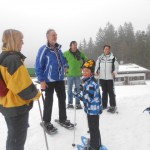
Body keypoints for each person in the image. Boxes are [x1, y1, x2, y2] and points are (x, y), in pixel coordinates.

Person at [0, 29, 41, 150]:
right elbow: (24, 88)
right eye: (21, 40)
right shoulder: (13, 60)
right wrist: (36, 94)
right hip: (15, 106)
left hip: (6, 104)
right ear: (13, 40)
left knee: (13, 136)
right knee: (17, 140)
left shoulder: (3, 57)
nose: (23, 43)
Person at [35, 29, 73, 133]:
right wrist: (41, 80)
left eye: (56, 35)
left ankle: (63, 119)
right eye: (53, 35)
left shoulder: (58, 49)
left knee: (62, 99)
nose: (55, 36)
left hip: (60, 79)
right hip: (48, 80)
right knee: (49, 101)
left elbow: (63, 60)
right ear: (47, 37)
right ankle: (46, 121)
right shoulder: (43, 49)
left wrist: (66, 66)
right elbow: (38, 65)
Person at [78, 59, 102, 150]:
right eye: (83, 70)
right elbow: (88, 93)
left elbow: (88, 99)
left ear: (91, 72)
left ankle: (94, 146)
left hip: (93, 110)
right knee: (94, 127)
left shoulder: (91, 84)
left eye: (87, 71)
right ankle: (95, 142)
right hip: (93, 110)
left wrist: (79, 96)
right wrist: (83, 89)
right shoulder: (89, 82)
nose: (84, 72)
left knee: (93, 128)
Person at [63, 41, 88, 109]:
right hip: (69, 74)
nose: (75, 46)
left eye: (76, 45)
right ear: (70, 46)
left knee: (78, 89)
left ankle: (78, 103)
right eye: (74, 45)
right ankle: (70, 103)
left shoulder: (80, 53)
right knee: (69, 89)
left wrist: (83, 67)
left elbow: (86, 60)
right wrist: (65, 67)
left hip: (77, 74)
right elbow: (61, 60)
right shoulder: (66, 53)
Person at [95, 44, 119, 113]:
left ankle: (113, 106)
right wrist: (96, 72)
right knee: (104, 92)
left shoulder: (113, 58)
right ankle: (104, 105)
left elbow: (116, 66)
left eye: (108, 49)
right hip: (102, 77)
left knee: (111, 92)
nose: (106, 50)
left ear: (109, 50)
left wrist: (114, 72)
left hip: (110, 78)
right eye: (105, 49)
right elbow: (96, 66)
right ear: (103, 50)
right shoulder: (100, 58)